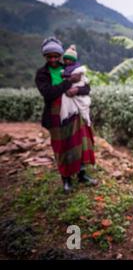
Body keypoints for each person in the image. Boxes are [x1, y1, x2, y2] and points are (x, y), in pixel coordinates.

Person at [35, 37, 97, 193]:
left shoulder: (70, 67)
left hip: (74, 111)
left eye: (56, 56)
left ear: (61, 55)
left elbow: (86, 88)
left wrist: (77, 90)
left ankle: (82, 174)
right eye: (50, 57)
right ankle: (66, 179)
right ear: (45, 57)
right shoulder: (42, 74)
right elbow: (48, 93)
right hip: (55, 115)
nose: (54, 59)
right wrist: (68, 83)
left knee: (79, 143)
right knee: (62, 147)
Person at [60, 44, 92, 127]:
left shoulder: (78, 70)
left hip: (78, 99)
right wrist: (69, 81)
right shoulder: (62, 71)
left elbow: (87, 88)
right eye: (66, 59)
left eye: (69, 60)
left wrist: (77, 89)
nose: (67, 61)